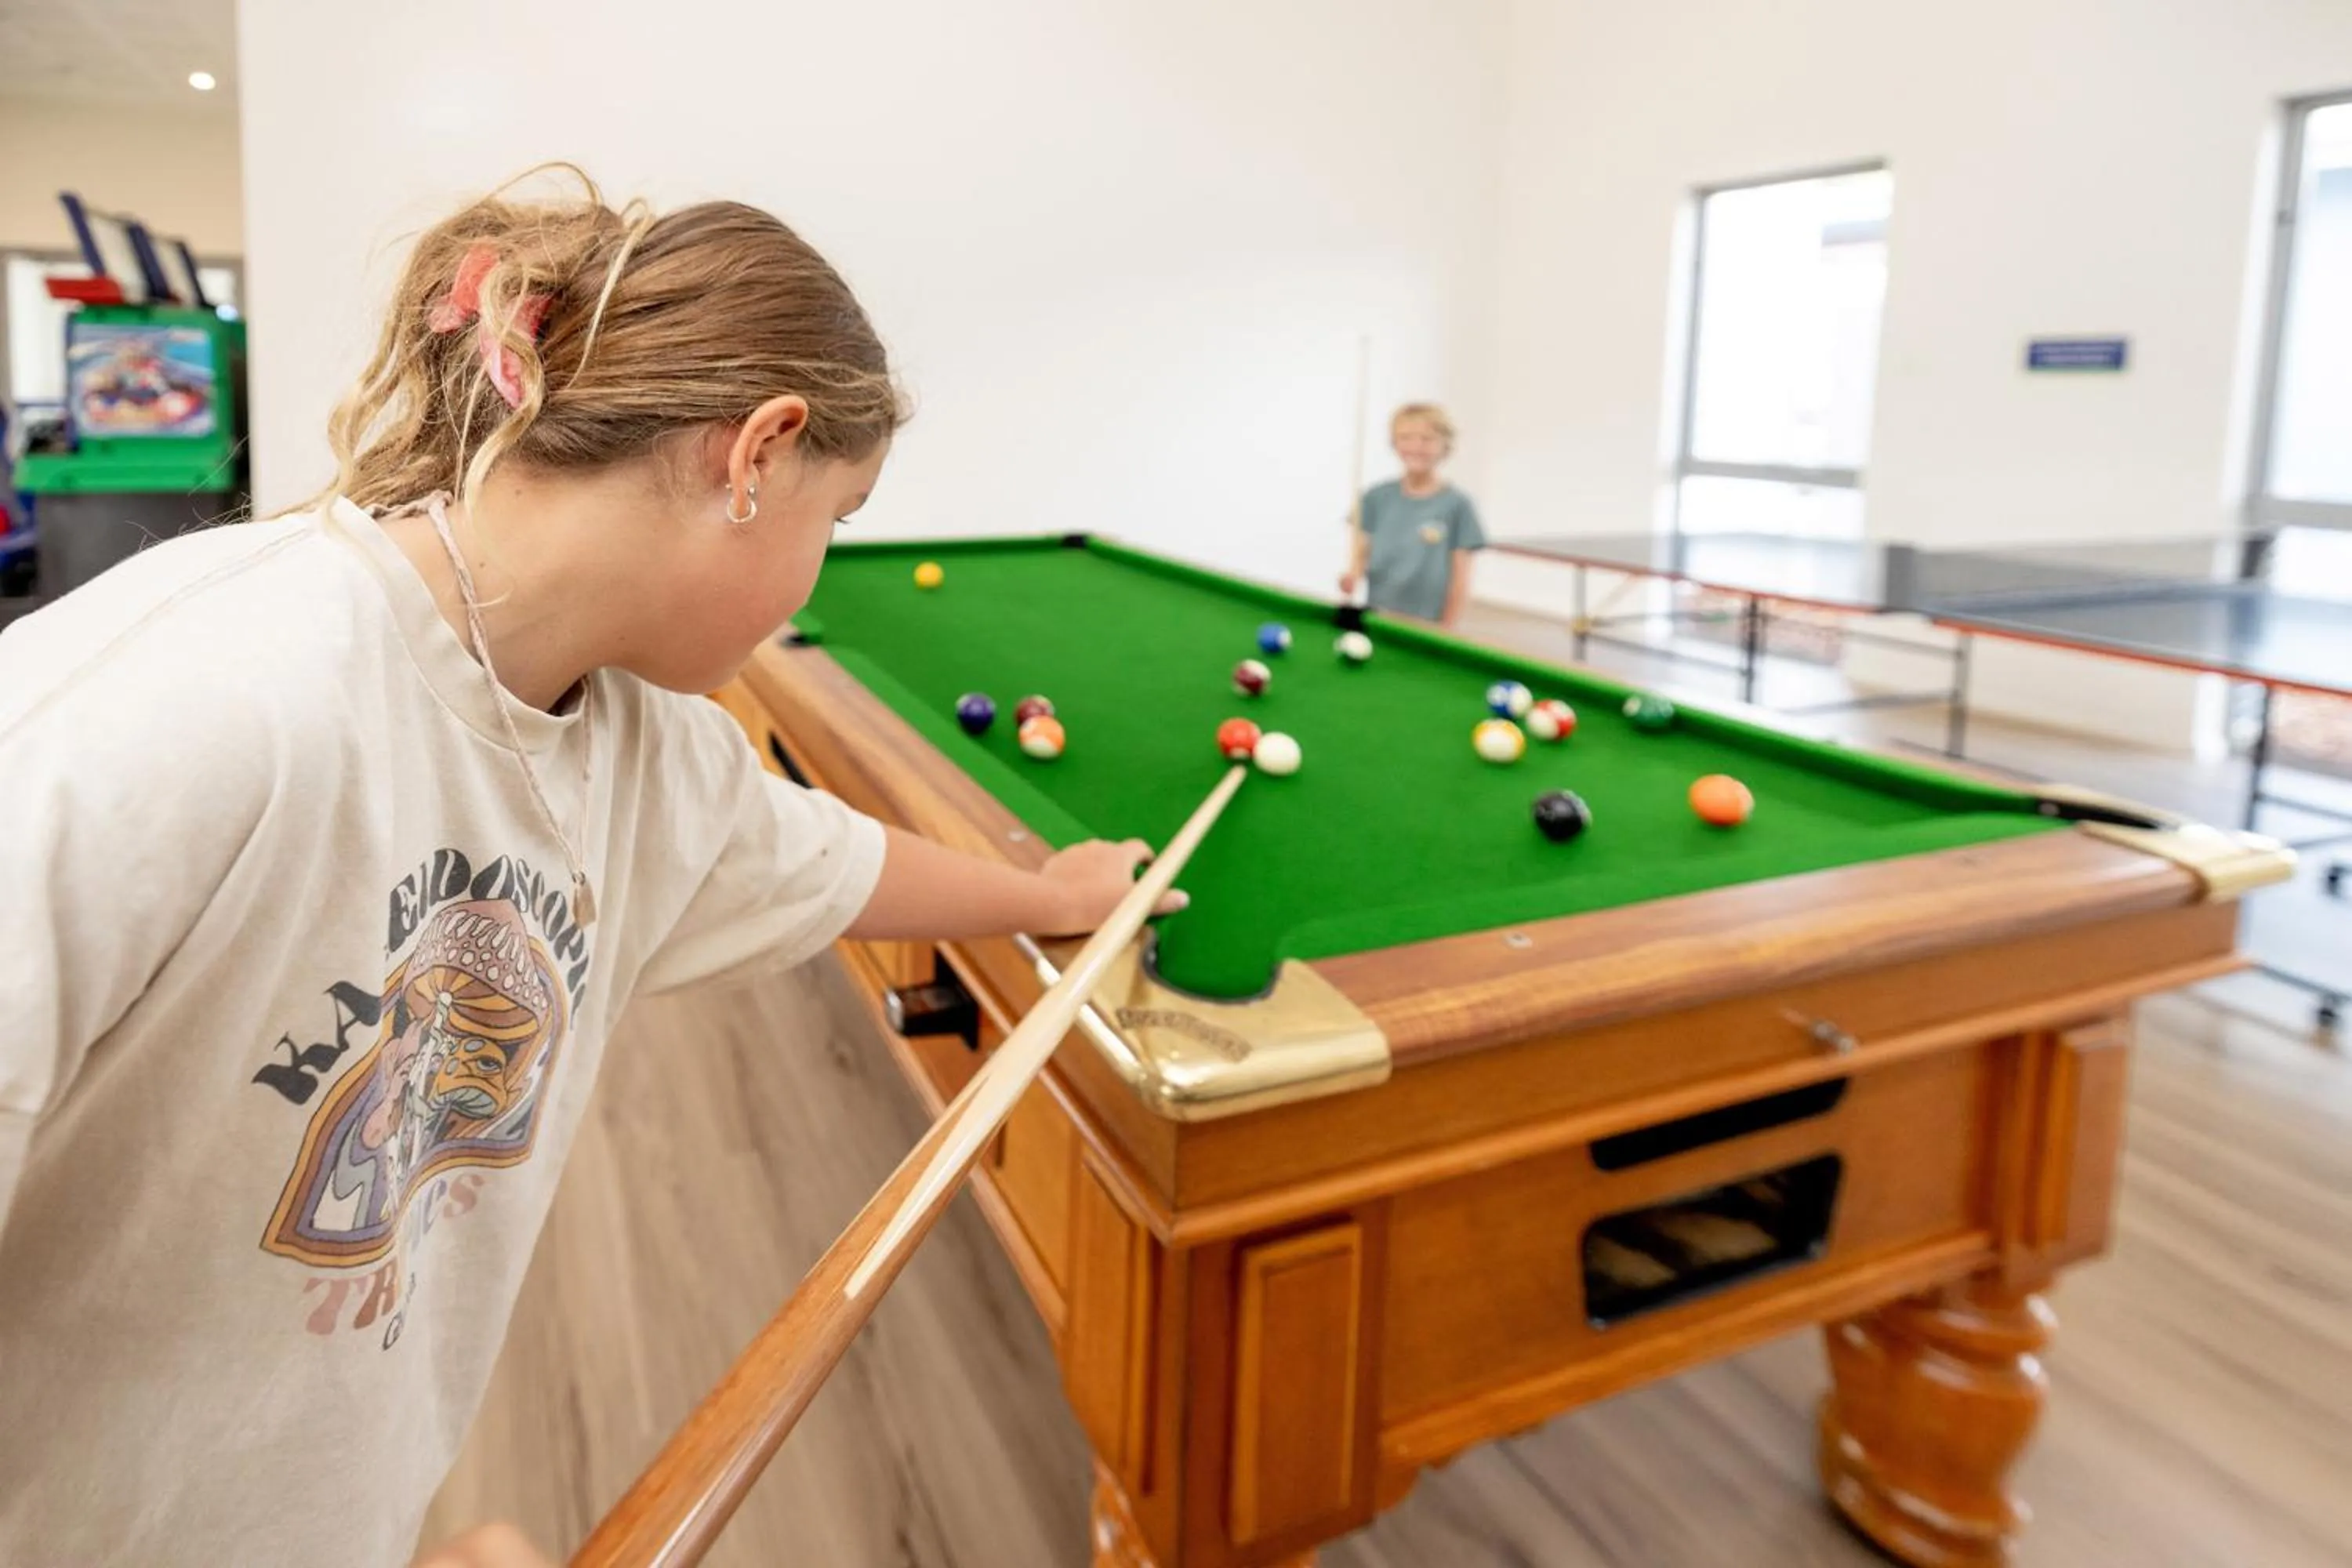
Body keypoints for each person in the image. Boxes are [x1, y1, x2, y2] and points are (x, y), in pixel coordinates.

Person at [0, 168, 1181, 1568]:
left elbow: (832, 862)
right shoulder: (189, 702)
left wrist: (1054, 901)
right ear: (758, 454)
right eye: (839, 513)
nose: (822, 567)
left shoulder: (638, 750)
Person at [1338, 401, 1486, 629]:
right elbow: (1361, 554)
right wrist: (1352, 576)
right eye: (1406, 437)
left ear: (1445, 446)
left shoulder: (1458, 506)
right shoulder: (1375, 497)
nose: (1416, 446)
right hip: (1378, 615)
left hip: (1428, 623)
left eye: (1427, 439)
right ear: (1394, 443)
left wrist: (1447, 628)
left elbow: (1461, 580)